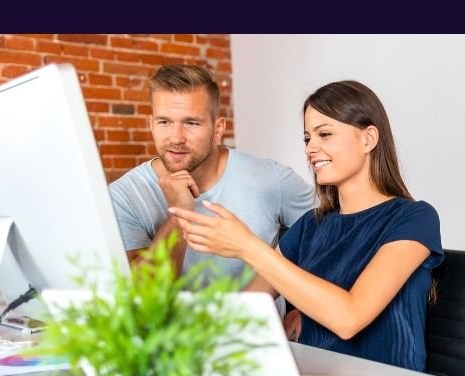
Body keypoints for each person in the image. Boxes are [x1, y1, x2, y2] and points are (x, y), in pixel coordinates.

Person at [169, 80, 443, 371]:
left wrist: (247, 247)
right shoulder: (310, 226)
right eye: (307, 139)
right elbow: (245, 310)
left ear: (368, 139)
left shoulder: (414, 218)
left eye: (325, 134)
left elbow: (349, 318)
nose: (311, 149)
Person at [109, 64, 314, 279]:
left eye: (191, 123)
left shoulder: (272, 179)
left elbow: (335, 238)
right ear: (151, 125)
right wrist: (178, 216)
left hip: (255, 312)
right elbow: (139, 299)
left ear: (217, 130)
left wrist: (305, 307)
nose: (176, 137)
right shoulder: (123, 196)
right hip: (174, 315)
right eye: (164, 122)